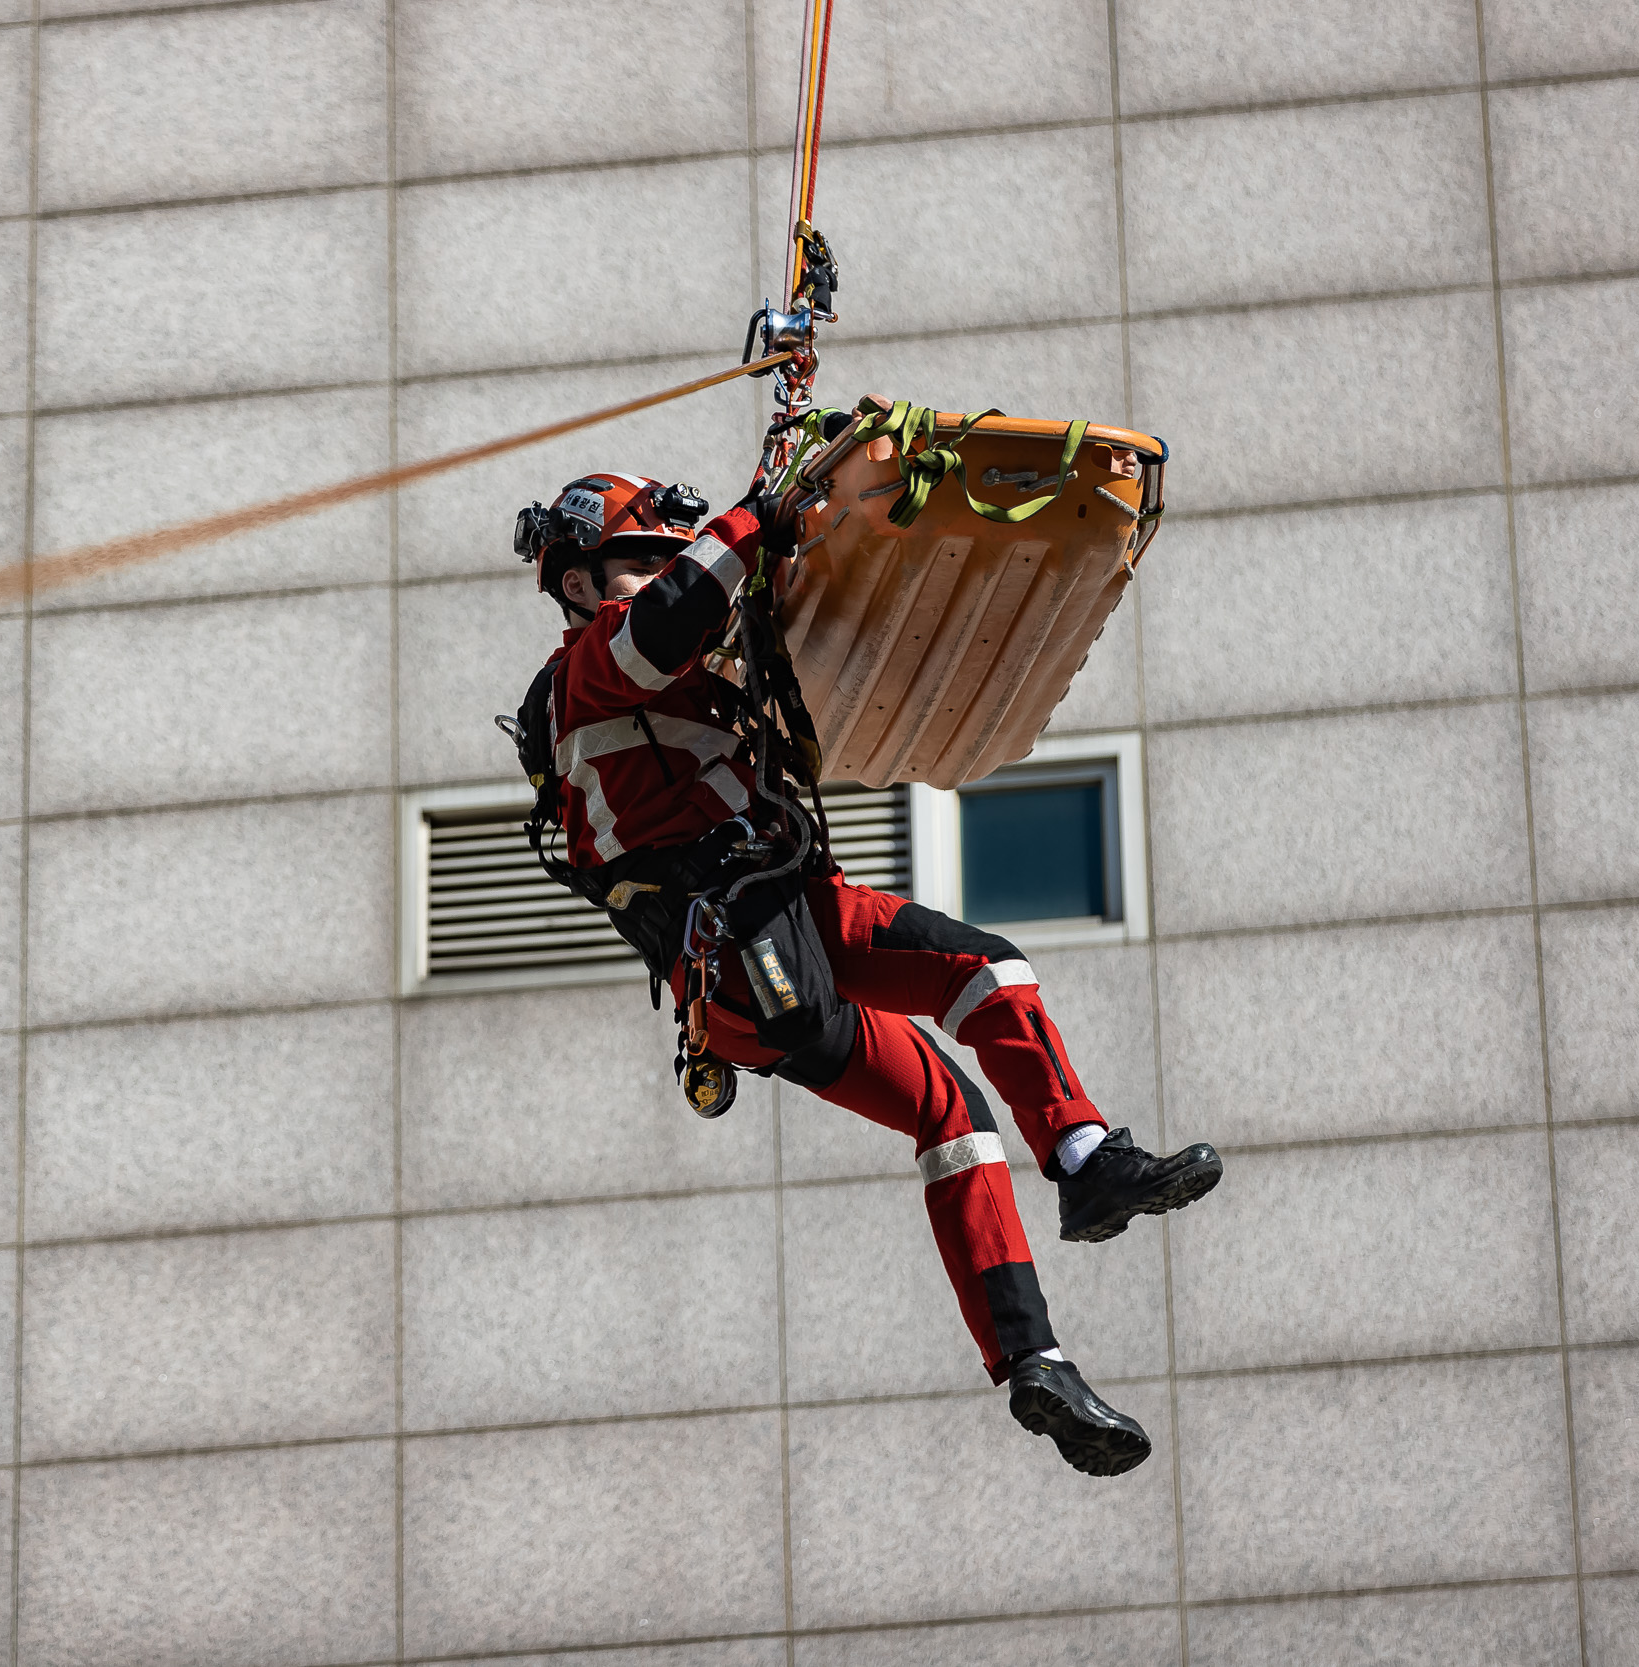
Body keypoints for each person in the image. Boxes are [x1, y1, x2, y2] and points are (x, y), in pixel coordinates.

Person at [508, 470, 1223, 1477]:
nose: (651, 578)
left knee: (987, 978)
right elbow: (668, 618)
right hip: (739, 960)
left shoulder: (692, 675)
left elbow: (762, 645)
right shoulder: (595, 664)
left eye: (661, 561)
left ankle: (1072, 1206)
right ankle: (1036, 1309)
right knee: (943, 1097)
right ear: (577, 586)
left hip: (790, 904)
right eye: (630, 562)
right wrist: (757, 512)